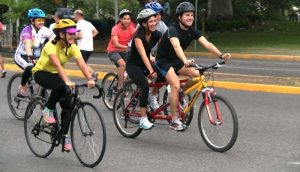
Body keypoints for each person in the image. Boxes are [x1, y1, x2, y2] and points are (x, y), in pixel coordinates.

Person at [155, 2, 231, 131]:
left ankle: (181, 93)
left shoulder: (192, 30)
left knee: (198, 75)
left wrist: (221, 55)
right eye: (187, 15)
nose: (190, 17)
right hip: (163, 61)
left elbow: (207, 44)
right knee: (175, 84)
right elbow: (176, 46)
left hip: (177, 61)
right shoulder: (173, 29)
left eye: (192, 15)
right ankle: (174, 119)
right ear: (180, 17)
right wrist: (185, 60)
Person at [32, 19, 95, 151]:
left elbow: (82, 64)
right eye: (71, 33)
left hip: (56, 75)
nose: (74, 36)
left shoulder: (72, 47)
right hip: (41, 73)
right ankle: (48, 110)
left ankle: (64, 135)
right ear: (61, 34)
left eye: (75, 33)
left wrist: (90, 78)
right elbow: (57, 65)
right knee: (61, 85)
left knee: (68, 107)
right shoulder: (51, 45)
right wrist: (66, 81)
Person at [126, 9, 162, 130]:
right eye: (150, 21)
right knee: (145, 85)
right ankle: (143, 119)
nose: (154, 23)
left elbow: (162, 48)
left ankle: (152, 97)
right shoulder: (138, 36)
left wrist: (158, 59)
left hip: (145, 63)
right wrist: (151, 71)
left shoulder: (156, 34)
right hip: (133, 65)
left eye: (154, 21)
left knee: (163, 74)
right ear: (143, 23)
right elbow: (142, 54)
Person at [14, 8, 53, 97]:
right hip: (22, 56)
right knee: (29, 67)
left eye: (43, 20)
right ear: (32, 21)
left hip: (37, 57)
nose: (42, 22)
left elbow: (54, 40)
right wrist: (30, 57)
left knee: (46, 72)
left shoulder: (45, 30)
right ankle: (23, 87)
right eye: (39, 20)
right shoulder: (27, 30)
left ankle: (40, 99)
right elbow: (27, 44)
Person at [144, 1, 168, 110]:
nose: (158, 17)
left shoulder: (162, 25)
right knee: (148, 79)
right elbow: (142, 47)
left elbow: (169, 40)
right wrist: (150, 56)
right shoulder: (142, 27)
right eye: (155, 14)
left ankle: (152, 94)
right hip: (141, 55)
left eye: (159, 14)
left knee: (163, 75)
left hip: (155, 55)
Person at [107, 9, 136, 91]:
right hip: (113, 51)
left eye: (128, 19)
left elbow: (138, 39)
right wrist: (128, 48)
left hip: (125, 51)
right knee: (122, 64)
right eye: (124, 19)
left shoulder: (132, 29)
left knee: (133, 66)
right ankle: (120, 86)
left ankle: (126, 83)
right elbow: (116, 44)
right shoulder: (115, 28)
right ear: (120, 20)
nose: (126, 21)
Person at [73, 9, 99, 80]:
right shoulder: (88, 23)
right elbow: (96, 32)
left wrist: (72, 38)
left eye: (74, 15)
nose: (73, 17)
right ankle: (91, 76)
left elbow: (80, 36)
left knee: (81, 64)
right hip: (90, 47)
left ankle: (92, 75)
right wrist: (89, 37)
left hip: (82, 47)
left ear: (77, 15)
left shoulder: (78, 25)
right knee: (82, 63)